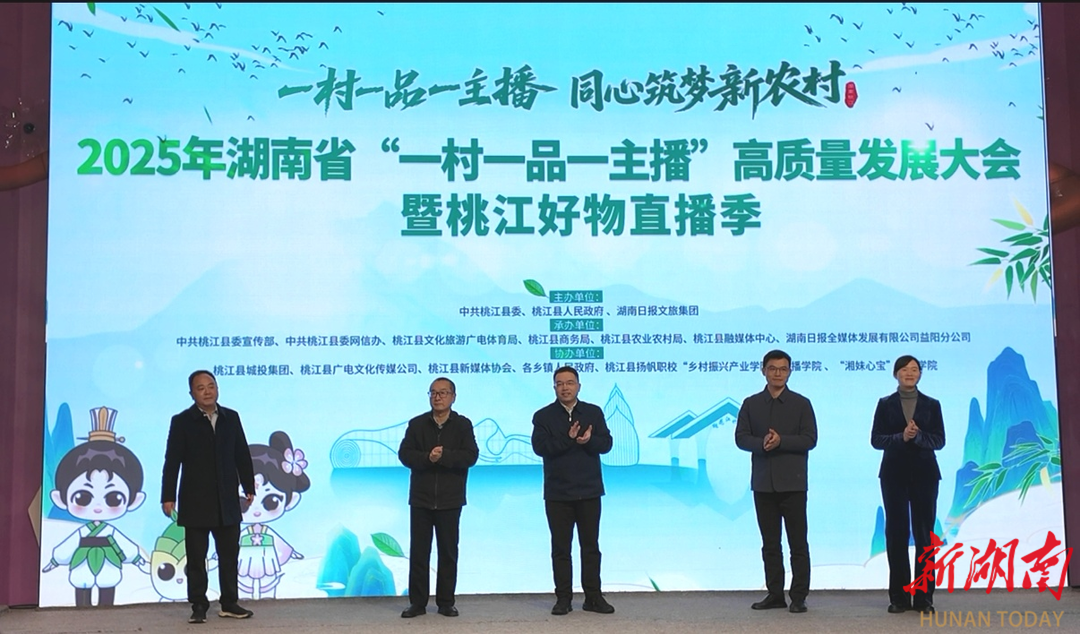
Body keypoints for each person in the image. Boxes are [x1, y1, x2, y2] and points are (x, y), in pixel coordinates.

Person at [161, 370, 256, 624]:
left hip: (227, 500)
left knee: (229, 556)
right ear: (192, 393)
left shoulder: (231, 418)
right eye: (200, 388)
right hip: (195, 501)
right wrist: (168, 496)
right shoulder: (182, 421)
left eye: (211, 386)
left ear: (217, 388)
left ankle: (229, 603)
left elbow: (241, 454)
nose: (207, 391)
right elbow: (172, 461)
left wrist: (248, 485)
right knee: (196, 559)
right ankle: (199, 605)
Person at [735, 350, 817, 613]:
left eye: (783, 369)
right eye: (772, 368)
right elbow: (741, 438)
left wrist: (782, 441)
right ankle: (775, 594)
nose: (777, 373)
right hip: (763, 484)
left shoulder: (801, 403)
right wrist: (762, 443)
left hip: (793, 484)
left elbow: (810, 439)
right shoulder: (751, 404)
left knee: (798, 543)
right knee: (770, 544)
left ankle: (799, 596)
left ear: (789, 372)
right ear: (763, 371)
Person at [531, 365, 614, 616]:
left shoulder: (593, 412)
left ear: (579, 386)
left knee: (590, 547)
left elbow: (606, 444)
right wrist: (568, 439)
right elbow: (540, 448)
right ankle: (563, 598)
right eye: (559, 383)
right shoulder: (543, 416)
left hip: (589, 491)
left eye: (569, 383)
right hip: (558, 493)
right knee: (561, 549)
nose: (564, 387)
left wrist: (589, 441)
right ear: (554, 387)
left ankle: (593, 597)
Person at [397, 377, 479, 618]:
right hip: (421, 499)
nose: (437, 397)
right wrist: (427, 458)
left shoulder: (462, 425)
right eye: (433, 392)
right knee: (419, 553)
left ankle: (446, 602)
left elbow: (470, 456)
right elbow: (405, 455)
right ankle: (417, 603)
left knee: (448, 552)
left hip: (450, 499)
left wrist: (444, 457)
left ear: (453, 397)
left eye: (443, 393)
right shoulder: (417, 424)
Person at [871, 355, 945, 615]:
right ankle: (899, 597)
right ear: (896, 374)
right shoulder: (885, 404)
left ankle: (924, 598)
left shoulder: (932, 404)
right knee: (896, 534)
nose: (910, 373)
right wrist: (901, 437)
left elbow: (939, 440)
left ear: (920, 374)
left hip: (925, 475)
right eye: (904, 369)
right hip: (894, 475)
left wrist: (919, 436)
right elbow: (876, 440)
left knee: (924, 536)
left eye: (914, 369)